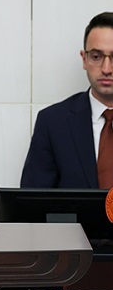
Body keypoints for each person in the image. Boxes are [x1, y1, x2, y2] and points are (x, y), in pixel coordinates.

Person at [21, 11, 113, 188]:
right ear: (84, 59)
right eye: (96, 57)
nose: (106, 69)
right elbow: (33, 200)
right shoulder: (53, 123)